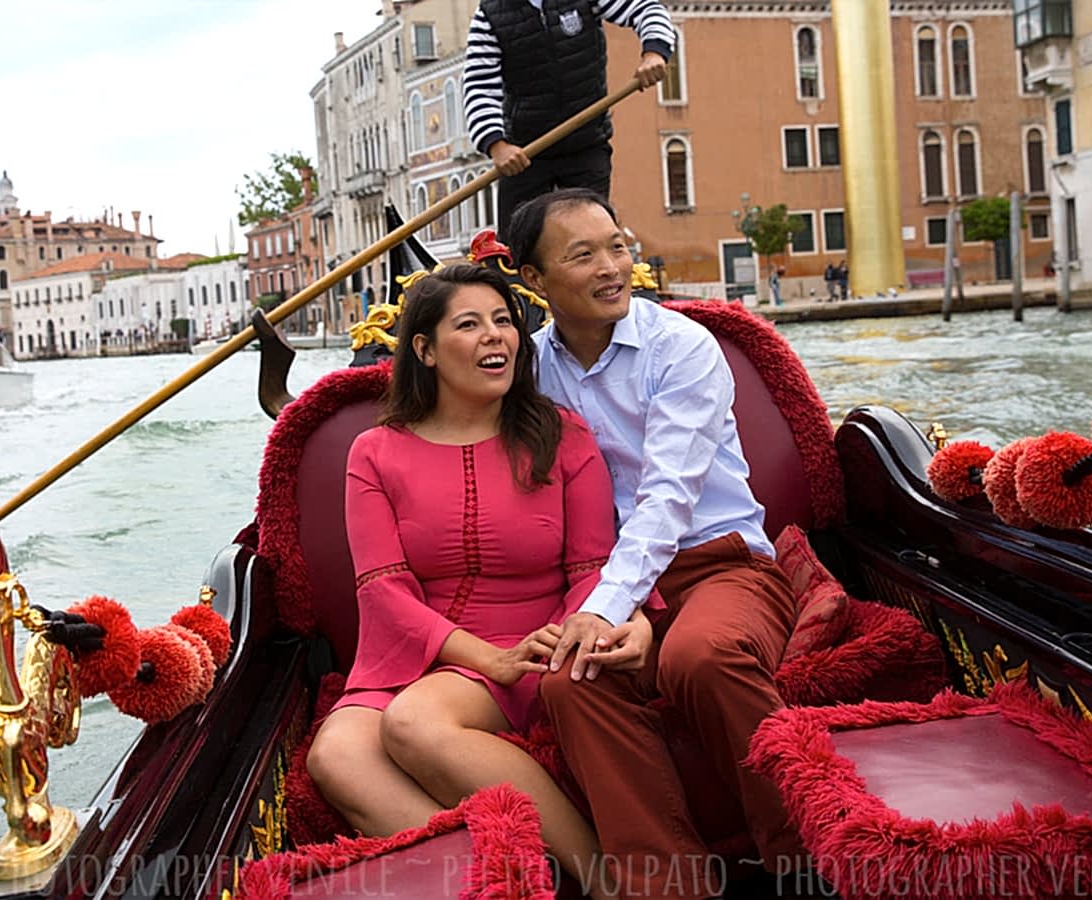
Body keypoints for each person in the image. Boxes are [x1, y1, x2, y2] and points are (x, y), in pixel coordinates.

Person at [307, 265, 651, 900]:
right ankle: (512, 883)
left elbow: (591, 568)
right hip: (410, 650)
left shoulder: (563, 436)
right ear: (425, 350)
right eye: (469, 325)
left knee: (414, 725)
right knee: (336, 756)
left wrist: (571, 634)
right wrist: (483, 658)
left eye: (503, 322)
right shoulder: (375, 452)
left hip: (532, 641)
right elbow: (382, 588)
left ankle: (603, 876)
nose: (496, 338)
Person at [509, 188, 803, 899]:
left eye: (618, 246)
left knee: (702, 657)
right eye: (584, 255)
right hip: (613, 579)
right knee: (570, 683)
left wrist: (610, 605)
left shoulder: (681, 346)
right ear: (535, 282)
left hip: (721, 565)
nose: (614, 267)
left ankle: (805, 859)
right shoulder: (530, 371)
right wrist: (615, 607)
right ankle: (668, 885)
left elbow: (668, 496)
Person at [464, 0, 675, 229]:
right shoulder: (489, 14)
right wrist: (497, 145)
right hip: (524, 155)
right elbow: (480, 87)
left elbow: (647, 10)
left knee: (591, 236)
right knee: (515, 249)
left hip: (587, 144)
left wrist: (654, 53)